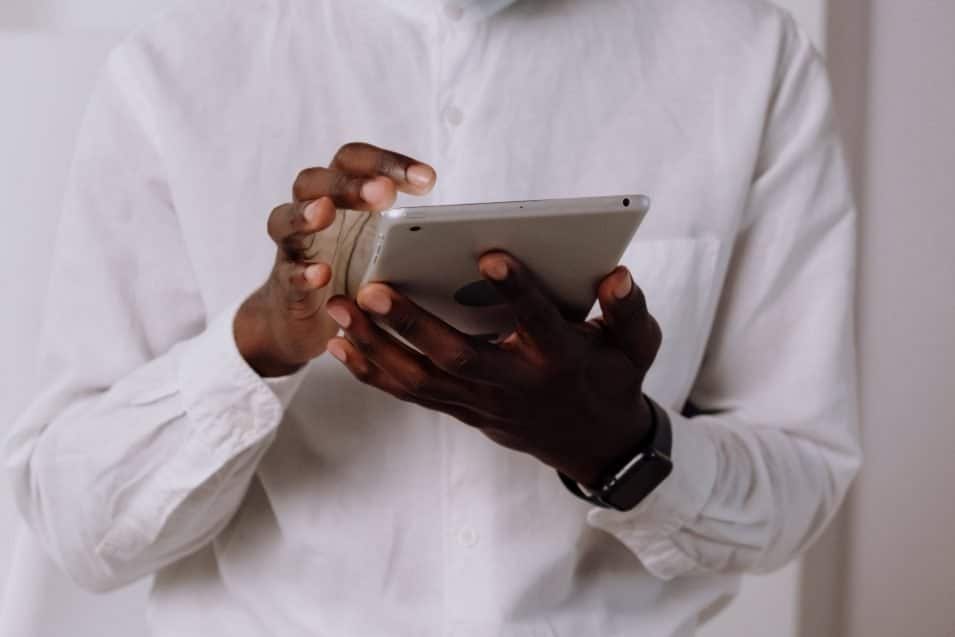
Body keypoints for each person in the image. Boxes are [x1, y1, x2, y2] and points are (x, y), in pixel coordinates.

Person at [4, 0, 862, 635]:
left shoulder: (742, 55)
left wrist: (620, 448)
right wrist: (258, 343)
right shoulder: (176, 70)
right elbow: (81, 533)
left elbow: (802, 479)